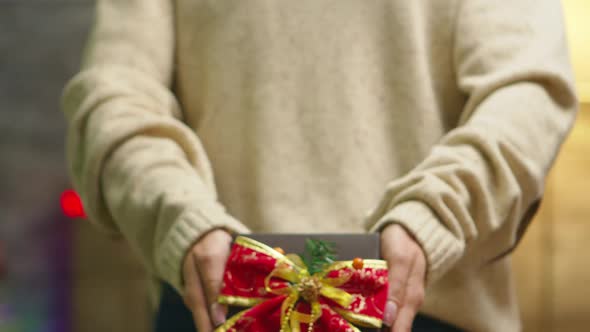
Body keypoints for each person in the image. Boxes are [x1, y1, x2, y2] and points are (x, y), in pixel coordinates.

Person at [61, 1, 577, 331]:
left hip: (426, 308)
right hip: (213, 304)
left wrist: (434, 216)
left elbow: (527, 93)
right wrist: (181, 219)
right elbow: (115, 96)